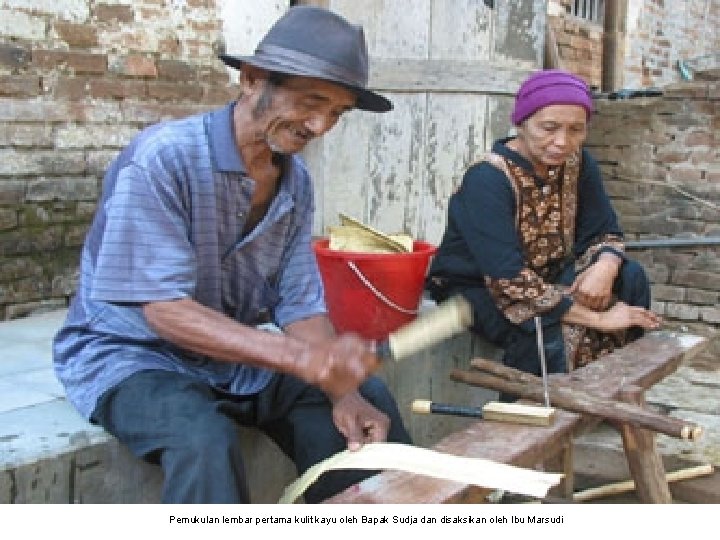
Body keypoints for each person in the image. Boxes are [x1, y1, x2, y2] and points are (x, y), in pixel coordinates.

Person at [52, 6, 411, 504]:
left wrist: (339, 386)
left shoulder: (294, 181)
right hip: (132, 355)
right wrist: (299, 356)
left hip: (226, 360)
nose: (319, 124)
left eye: (337, 112)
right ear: (250, 79)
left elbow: (299, 302)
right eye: (311, 102)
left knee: (362, 411)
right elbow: (164, 310)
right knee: (201, 438)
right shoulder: (163, 158)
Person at [426, 69, 661, 384]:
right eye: (548, 128)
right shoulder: (487, 178)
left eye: (576, 130)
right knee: (537, 323)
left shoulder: (578, 164)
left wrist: (605, 266)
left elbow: (606, 230)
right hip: (479, 288)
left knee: (630, 276)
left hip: (548, 273)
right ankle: (530, 415)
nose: (562, 142)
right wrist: (599, 319)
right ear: (521, 123)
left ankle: (612, 387)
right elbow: (507, 278)